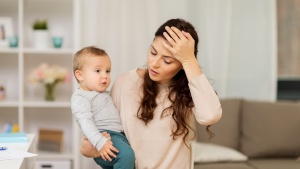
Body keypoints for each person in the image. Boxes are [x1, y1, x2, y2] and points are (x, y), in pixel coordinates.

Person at [80, 18, 222, 169]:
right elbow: (112, 136)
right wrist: (93, 151)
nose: (154, 63)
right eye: (153, 52)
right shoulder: (125, 83)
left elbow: (210, 115)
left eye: (167, 61)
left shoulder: (189, 90)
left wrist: (189, 60)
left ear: (182, 65)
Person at [71, 46, 135, 169]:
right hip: (103, 136)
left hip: (118, 136)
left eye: (108, 71)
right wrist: (101, 142)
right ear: (80, 75)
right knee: (127, 155)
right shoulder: (80, 97)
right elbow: (86, 122)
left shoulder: (103, 93)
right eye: (98, 71)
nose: (105, 76)